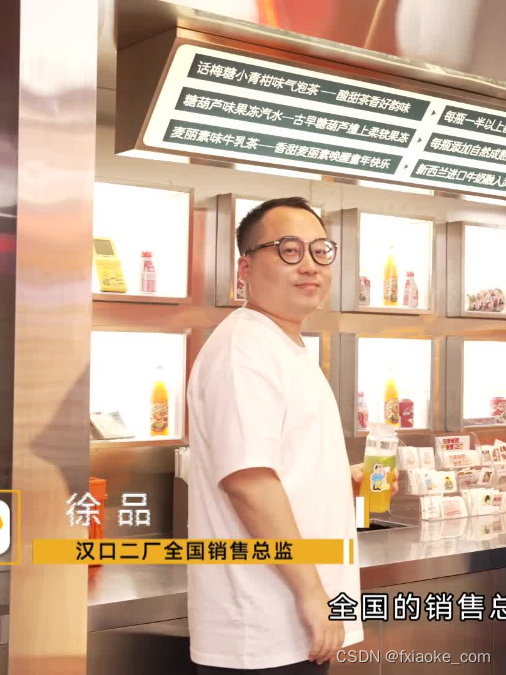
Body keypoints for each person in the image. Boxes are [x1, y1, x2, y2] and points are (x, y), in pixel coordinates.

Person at [187, 196, 399, 674]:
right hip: (263, 630)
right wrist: (311, 592)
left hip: (293, 628)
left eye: (320, 250)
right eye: (288, 250)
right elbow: (248, 483)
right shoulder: (244, 350)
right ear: (244, 268)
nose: (309, 265)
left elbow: (280, 469)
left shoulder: (283, 345)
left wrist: (344, 480)